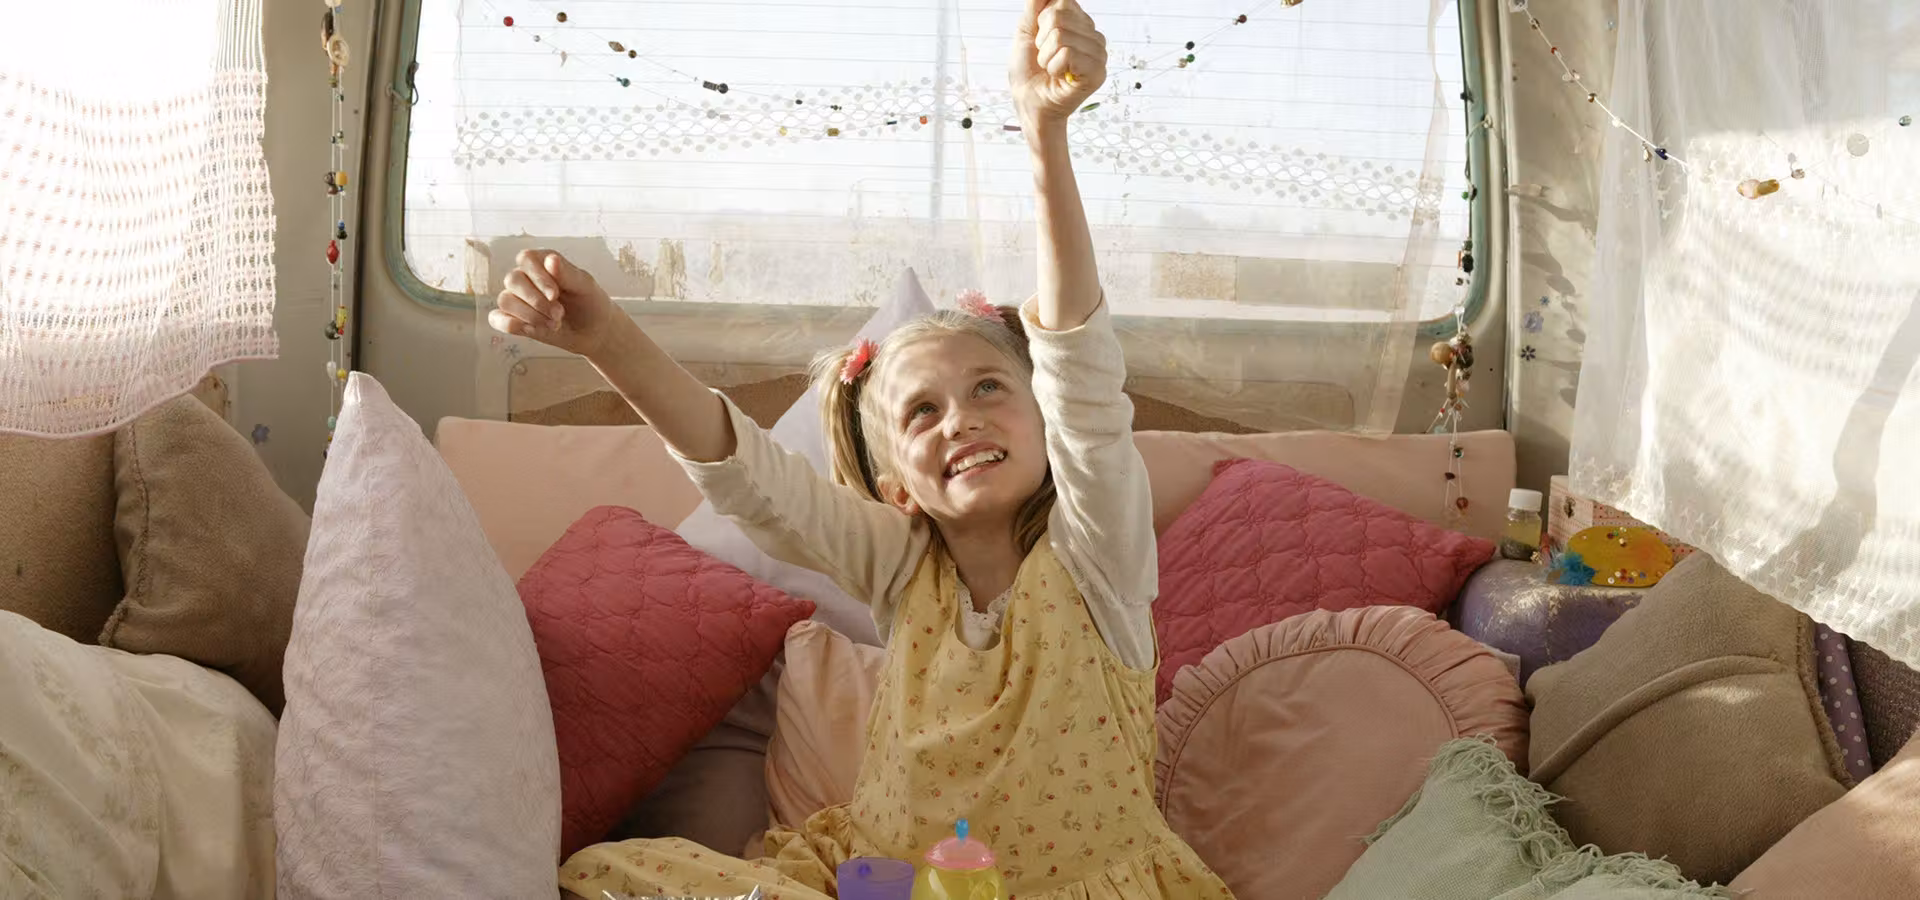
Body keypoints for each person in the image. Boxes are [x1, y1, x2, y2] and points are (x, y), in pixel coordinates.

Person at [491, 2, 1233, 897]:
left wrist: (1044, 131)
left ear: (1043, 421)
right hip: (883, 883)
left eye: (988, 389)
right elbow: (753, 482)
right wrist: (606, 338)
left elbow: (1083, 372)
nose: (960, 420)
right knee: (604, 873)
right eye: (922, 412)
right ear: (898, 487)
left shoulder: (1099, 556)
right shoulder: (901, 568)